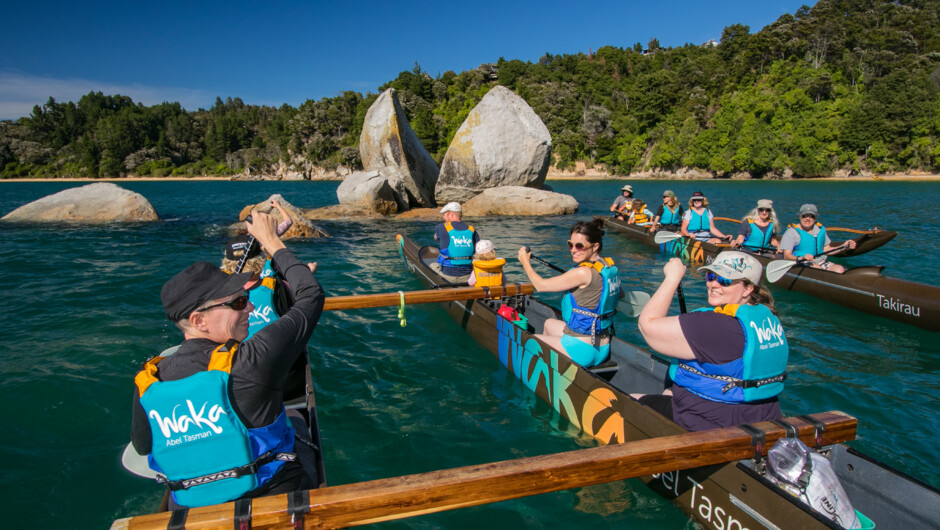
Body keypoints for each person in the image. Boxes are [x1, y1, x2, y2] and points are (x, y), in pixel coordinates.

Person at [130, 211, 324, 508]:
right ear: (199, 321)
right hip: (275, 498)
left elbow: (143, 447)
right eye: (238, 302)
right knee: (295, 418)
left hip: (194, 511)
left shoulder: (150, 379)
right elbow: (310, 295)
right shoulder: (254, 356)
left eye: (245, 298)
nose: (248, 308)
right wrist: (271, 240)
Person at [635, 251, 789, 431]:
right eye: (711, 276)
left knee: (629, 399)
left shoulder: (718, 326)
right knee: (668, 391)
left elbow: (647, 326)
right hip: (759, 418)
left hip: (711, 424)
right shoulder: (766, 319)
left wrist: (672, 278)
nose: (714, 284)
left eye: (725, 280)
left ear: (748, 289)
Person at [517, 219, 621, 368]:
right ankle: (551, 366)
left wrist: (525, 262)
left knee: (526, 340)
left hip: (581, 350)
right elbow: (619, 295)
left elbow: (540, 286)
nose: (573, 250)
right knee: (549, 324)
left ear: (595, 246)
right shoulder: (608, 269)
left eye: (580, 246)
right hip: (602, 348)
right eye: (570, 244)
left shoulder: (582, 272)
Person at [779, 204, 856, 273]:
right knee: (818, 269)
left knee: (839, 269)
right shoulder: (792, 232)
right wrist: (802, 258)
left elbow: (826, 249)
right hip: (800, 262)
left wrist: (843, 246)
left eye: (811, 216)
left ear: (815, 217)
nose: (808, 219)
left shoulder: (820, 230)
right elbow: (786, 256)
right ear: (799, 216)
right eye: (804, 215)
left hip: (820, 262)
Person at [433, 202, 480, 282]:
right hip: (468, 276)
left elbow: (436, 237)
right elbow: (478, 248)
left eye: (444, 215)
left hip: (448, 276)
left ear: (451, 214)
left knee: (432, 265)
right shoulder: (472, 230)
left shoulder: (441, 227)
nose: (444, 218)